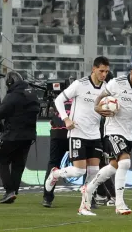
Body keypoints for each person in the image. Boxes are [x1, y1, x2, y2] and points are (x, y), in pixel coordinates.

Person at [80, 61, 132, 216]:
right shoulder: (116, 84)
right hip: (113, 129)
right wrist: (97, 107)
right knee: (125, 161)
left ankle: (89, 188)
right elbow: (100, 97)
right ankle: (119, 203)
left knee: (114, 166)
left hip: (131, 131)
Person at [44, 57, 111, 212]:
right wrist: (66, 119)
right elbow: (59, 100)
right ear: (93, 69)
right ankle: (56, 173)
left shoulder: (107, 88)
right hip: (78, 133)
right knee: (79, 170)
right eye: (101, 71)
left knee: (94, 171)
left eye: (106, 71)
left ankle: (85, 203)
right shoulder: (80, 84)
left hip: (94, 134)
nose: (104, 74)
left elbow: (107, 108)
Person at [0, 71, 40, 204]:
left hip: (12, 135)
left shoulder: (12, 96)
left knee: (2, 161)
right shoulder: (32, 94)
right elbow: (15, 109)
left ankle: (9, 191)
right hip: (28, 136)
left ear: (10, 83)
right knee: (18, 165)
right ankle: (13, 192)